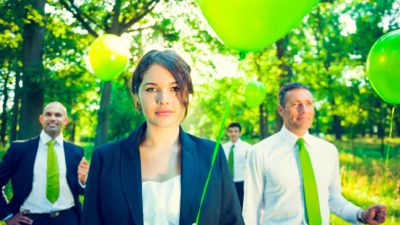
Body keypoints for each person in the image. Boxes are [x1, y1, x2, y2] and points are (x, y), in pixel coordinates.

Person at [82, 50, 244, 225]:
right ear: (137, 96)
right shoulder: (105, 159)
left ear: (187, 95)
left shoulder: (212, 155)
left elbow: (232, 221)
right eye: (151, 89)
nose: (163, 99)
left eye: (175, 88)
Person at [243, 82, 387, 225]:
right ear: (281, 110)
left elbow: (332, 197)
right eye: (295, 104)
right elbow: (251, 209)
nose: (304, 109)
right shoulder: (260, 152)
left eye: (308, 103)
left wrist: (361, 214)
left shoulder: (329, 151)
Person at [0, 102, 89, 225]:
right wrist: (8, 216)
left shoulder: (76, 151)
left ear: (65, 120)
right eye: (48, 114)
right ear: (41, 119)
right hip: (29, 220)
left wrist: (82, 182)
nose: (53, 118)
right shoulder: (19, 149)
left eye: (58, 115)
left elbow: (80, 191)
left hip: (68, 219)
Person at [222, 122, 251, 208]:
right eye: (230, 131)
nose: (233, 133)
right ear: (227, 133)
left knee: (242, 207)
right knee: (229, 207)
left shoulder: (248, 148)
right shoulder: (223, 148)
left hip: (242, 183)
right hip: (228, 183)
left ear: (240, 133)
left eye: (235, 131)